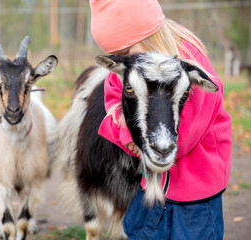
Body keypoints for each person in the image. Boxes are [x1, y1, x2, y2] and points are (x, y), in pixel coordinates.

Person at [89, 0, 232, 239]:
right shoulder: (132, 66)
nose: (123, 59)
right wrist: (130, 137)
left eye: (125, 51)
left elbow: (183, 137)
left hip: (196, 189)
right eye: (118, 55)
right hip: (152, 183)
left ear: (146, 34)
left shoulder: (188, 62)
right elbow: (114, 99)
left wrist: (144, 141)